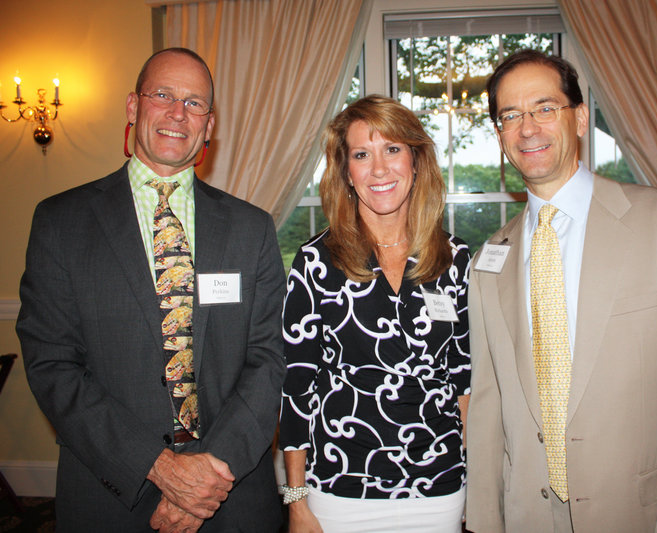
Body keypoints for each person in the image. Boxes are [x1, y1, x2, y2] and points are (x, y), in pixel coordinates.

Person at [465, 49, 657, 533]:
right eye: (511, 115)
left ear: (579, 118)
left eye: (545, 108)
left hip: (641, 512)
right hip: (526, 513)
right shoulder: (490, 258)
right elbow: (488, 407)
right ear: (500, 135)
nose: (528, 127)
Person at [16, 47, 286, 532]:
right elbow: (53, 365)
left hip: (231, 493)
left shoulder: (253, 228)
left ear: (209, 125)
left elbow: (269, 358)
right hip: (111, 493)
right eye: (162, 94)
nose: (177, 113)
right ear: (133, 107)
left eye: (195, 103)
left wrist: (208, 474)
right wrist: (161, 467)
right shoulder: (61, 222)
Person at [279, 95, 471, 533]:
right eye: (362, 155)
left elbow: (464, 382)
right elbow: (296, 390)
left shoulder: (455, 258)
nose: (379, 169)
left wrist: (472, 480)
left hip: (439, 485)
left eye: (393, 149)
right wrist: (295, 500)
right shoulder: (316, 263)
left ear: (417, 161)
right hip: (341, 487)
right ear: (347, 172)